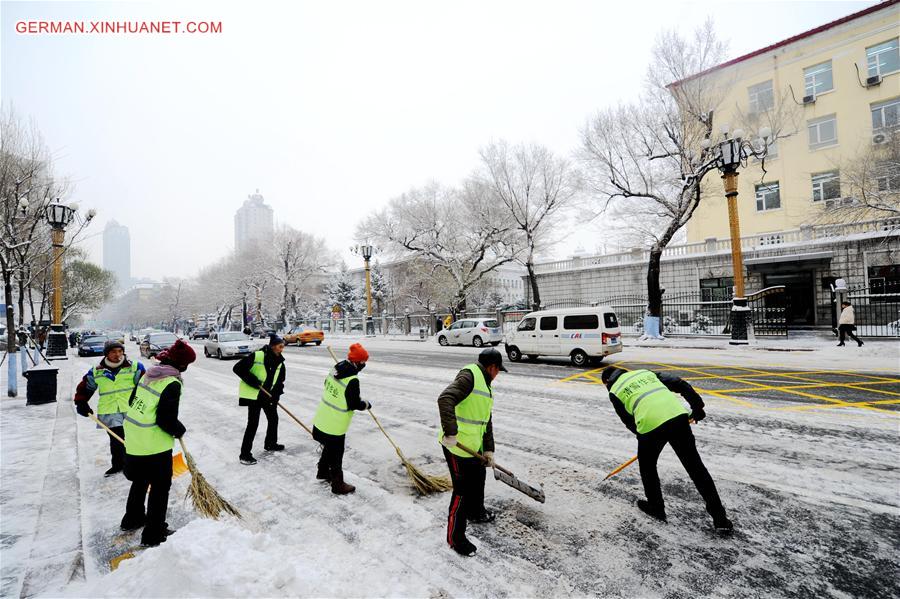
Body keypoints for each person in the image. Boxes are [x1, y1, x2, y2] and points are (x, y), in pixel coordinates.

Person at [601, 366, 732, 532]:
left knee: (647, 466)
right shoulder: (645, 373)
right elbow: (679, 383)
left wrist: (643, 438)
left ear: (607, 381)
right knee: (696, 469)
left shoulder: (614, 391)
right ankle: (720, 519)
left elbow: (628, 421)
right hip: (677, 418)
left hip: (650, 427)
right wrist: (697, 407)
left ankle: (656, 508)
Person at [121, 339, 195, 546]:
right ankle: (154, 533)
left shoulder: (150, 373)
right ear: (181, 364)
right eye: (187, 364)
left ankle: (132, 519)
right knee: (160, 488)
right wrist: (179, 430)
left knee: (140, 481)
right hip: (154, 443)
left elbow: (132, 401)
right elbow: (165, 419)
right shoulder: (172, 382)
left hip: (134, 435)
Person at [437, 348, 506, 557]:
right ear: (492, 367)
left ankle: (476, 513)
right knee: (462, 491)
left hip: (473, 446)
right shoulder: (469, 376)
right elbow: (445, 399)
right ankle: (455, 538)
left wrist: (489, 450)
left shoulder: (486, 385)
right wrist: (450, 432)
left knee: (478, 478)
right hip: (456, 446)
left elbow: (485, 421)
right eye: (498, 370)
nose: (498, 374)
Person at [74, 340, 146, 477]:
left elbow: (145, 386)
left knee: (134, 437)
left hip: (132, 409)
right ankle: (118, 465)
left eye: (120, 351)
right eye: (113, 351)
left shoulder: (135, 367)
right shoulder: (97, 371)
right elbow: (86, 388)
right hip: (109, 411)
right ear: (107, 354)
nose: (117, 354)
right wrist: (81, 402)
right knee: (116, 439)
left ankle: (137, 463)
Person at [312, 343, 371, 495]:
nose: (364, 365)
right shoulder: (352, 379)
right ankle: (338, 485)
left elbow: (327, 384)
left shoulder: (337, 368)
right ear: (357, 362)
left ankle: (323, 472)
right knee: (336, 454)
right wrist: (365, 404)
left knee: (329, 447)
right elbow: (353, 404)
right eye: (363, 362)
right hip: (335, 424)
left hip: (322, 419)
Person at [233, 335, 286, 465]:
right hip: (255, 396)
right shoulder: (257, 356)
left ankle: (270, 443)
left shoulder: (280, 362)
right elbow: (237, 368)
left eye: (283, 346)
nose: (282, 349)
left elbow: (280, 381)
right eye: (280, 346)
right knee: (253, 424)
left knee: (273, 418)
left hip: (268, 396)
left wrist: (276, 395)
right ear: (273, 346)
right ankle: (244, 454)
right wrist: (253, 381)